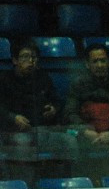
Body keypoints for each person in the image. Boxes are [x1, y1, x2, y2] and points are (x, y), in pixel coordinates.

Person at [0, 38, 77, 180]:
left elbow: (57, 101)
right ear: (15, 60)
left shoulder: (43, 77)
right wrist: (13, 117)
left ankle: (66, 185)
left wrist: (53, 108)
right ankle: (25, 187)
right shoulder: (4, 80)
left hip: (42, 130)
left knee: (68, 141)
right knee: (22, 143)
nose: (30, 61)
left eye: (33, 57)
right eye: (25, 57)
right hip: (15, 133)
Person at [62, 43, 109, 147]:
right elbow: (69, 112)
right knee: (68, 133)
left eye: (103, 61)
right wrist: (85, 130)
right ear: (87, 64)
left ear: (108, 62)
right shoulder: (78, 85)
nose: (100, 65)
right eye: (95, 61)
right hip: (84, 132)